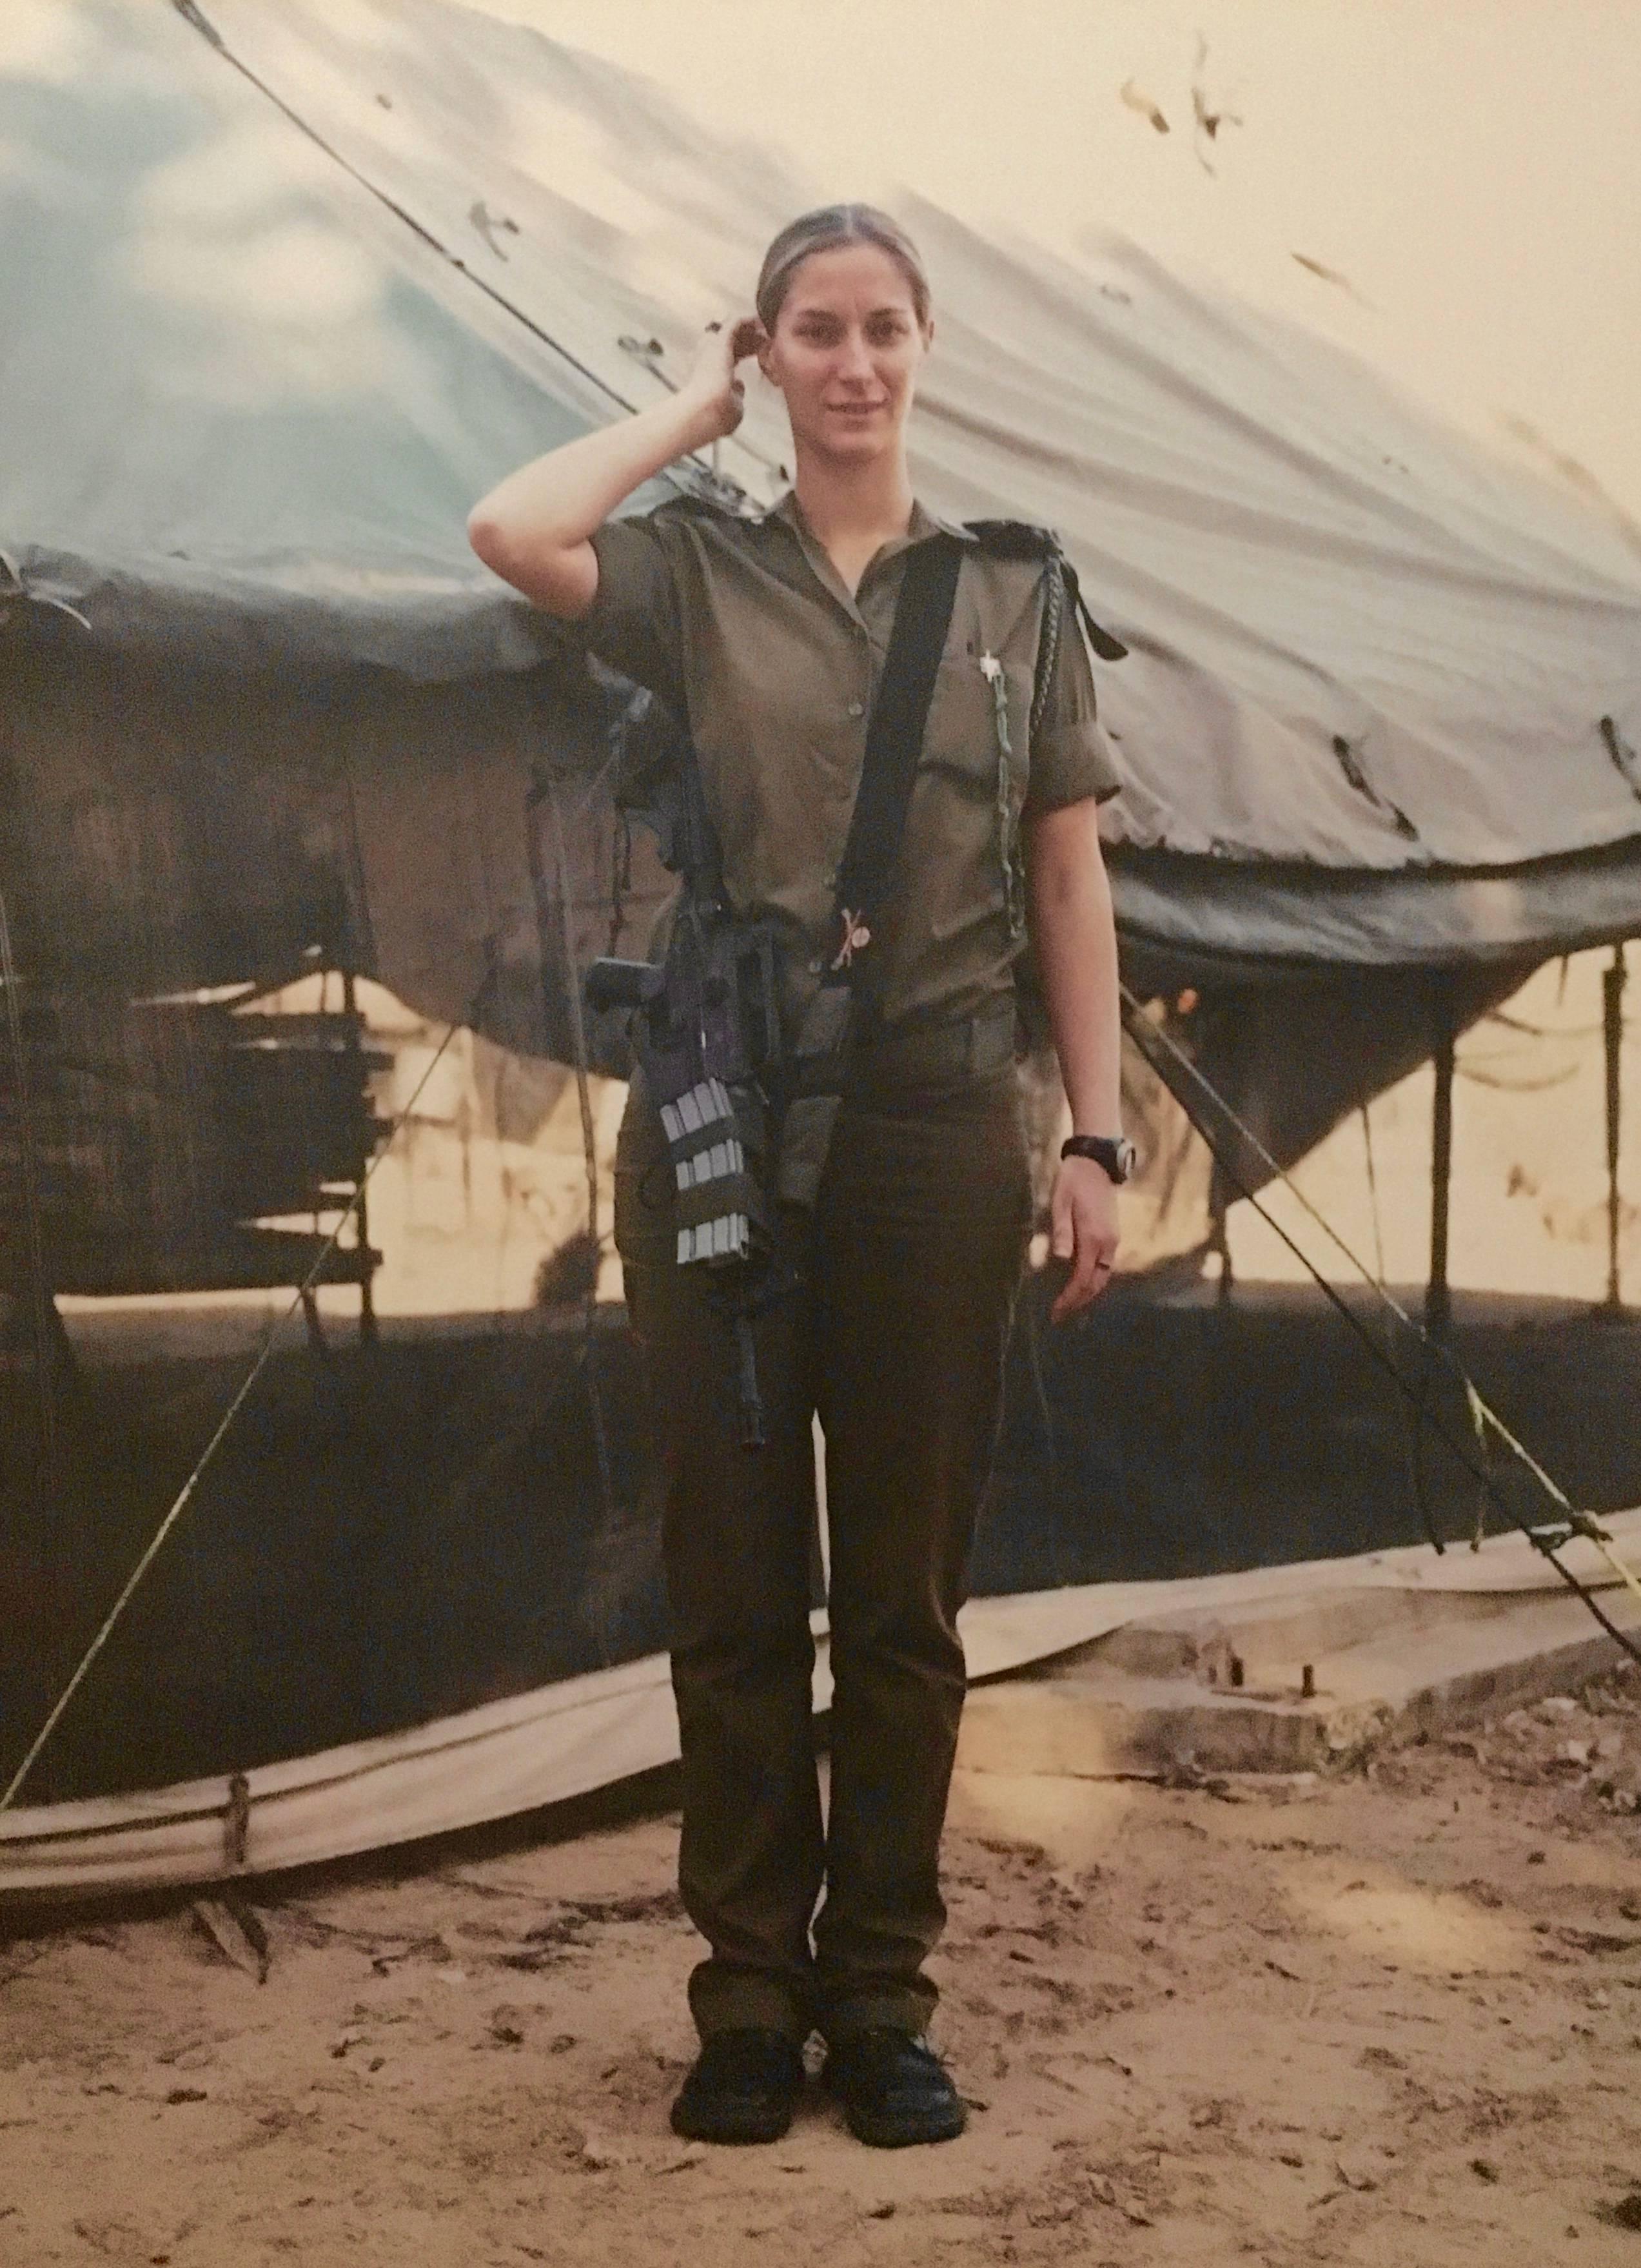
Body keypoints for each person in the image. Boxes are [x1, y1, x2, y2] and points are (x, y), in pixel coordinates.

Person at [467, 204, 1130, 2149]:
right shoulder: (692, 575)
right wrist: (687, 410)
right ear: (771, 353)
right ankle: (747, 1997)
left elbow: (1067, 873)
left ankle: (882, 1998)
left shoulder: (1010, 597)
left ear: (926, 347)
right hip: (718, 1120)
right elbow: (513, 534)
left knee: (905, 1597)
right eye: (811, 334)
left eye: (881, 329)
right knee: (737, 1576)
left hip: (936, 1120)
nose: (851, 365)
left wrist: (1088, 1133)